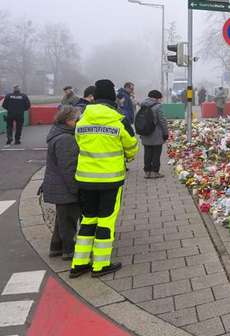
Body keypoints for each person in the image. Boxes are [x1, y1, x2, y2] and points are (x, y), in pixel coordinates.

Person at [70, 79, 138, 278]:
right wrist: (128, 155)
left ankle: (79, 263)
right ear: (112, 98)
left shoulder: (82, 120)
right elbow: (132, 144)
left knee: (88, 219)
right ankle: (100, 265)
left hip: (85, 179)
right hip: (110, 180)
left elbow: (78, 142)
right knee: (106, 221)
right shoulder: (118, 120)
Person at [42, 106, 80, 261]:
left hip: (57, 184)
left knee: (62, 218)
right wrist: (75, 189)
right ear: (68, 120)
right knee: (69, 219)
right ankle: (68, 250)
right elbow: (68, 168)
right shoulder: (66, 139)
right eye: (76, 119)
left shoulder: (57, 133)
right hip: (64, 187)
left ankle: (56, 247)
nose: (79, 122)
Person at [139, 90, 168, 179]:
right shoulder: (157, 106)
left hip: (145, 132)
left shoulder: (143, 105)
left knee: (147, 153)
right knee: (156, 153)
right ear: (157, 98)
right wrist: (165, 133)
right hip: (156, 134)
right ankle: (155, 172)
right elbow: (162, 121)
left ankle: (147, 172)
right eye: (160, 98)